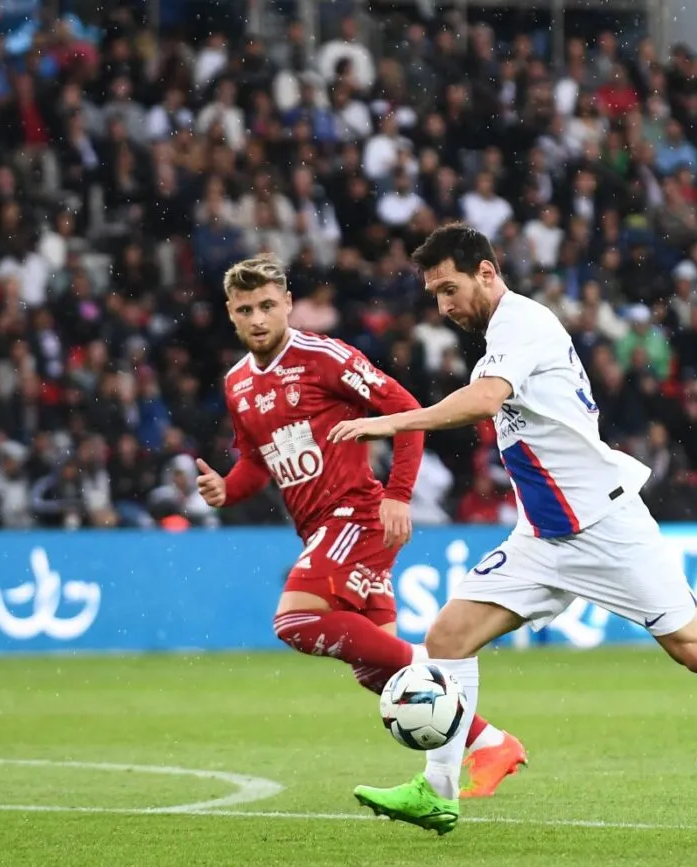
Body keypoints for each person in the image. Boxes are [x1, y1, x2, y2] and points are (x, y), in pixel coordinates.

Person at [330, 225, 697, 835]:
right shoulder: (501, 332)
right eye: (435, 295)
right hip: (543, 536)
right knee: (447, 637)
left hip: (606, 527)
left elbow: (481, 400)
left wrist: (389, 424)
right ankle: (437, 790)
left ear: (487, 272)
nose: (444, 306)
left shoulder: (521, 323)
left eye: (450, 289)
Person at [196, 254, 527, 798]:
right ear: (231, 315)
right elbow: (258, 462)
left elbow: (407, 412)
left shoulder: (323, 358)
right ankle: (473, 758)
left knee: (295, 623)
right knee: (377, 674)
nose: (257, 318)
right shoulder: (237, 385)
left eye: (267, 306)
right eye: (245, 310)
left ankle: (438, 672)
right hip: (321, 530)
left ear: (288, 305)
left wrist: (397, 497)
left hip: (355, 516)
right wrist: (226, 489)